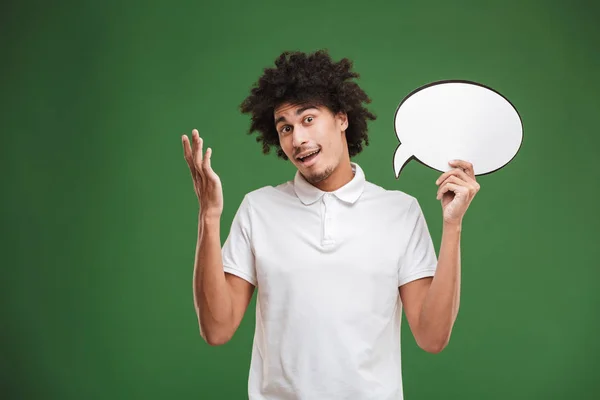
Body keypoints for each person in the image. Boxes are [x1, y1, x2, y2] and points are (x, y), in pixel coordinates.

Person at [181, 50, 480, 400]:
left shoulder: (400, 212)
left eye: (308, 119)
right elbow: (216, 329)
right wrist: (209, 215)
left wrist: (453, 225)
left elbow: (432, 337)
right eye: (285, 128)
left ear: (341, 118)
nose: (297, 139)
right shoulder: (258, 209)